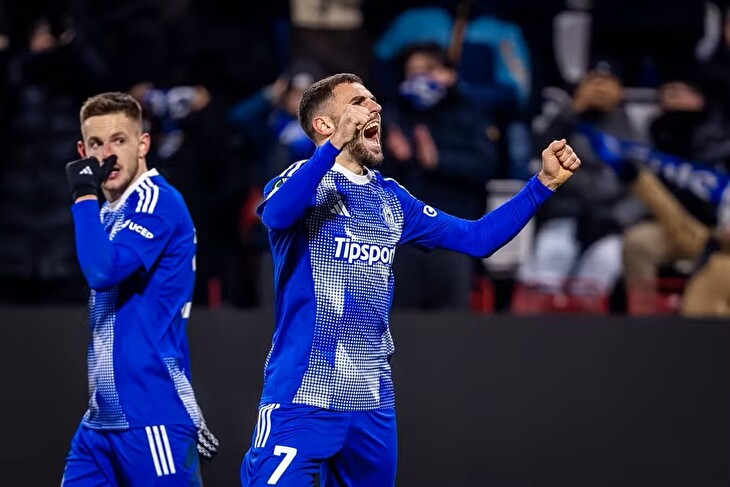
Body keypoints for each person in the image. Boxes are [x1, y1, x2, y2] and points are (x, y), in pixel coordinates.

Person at [240, 73, 581, 486]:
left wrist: (542, 185)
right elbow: (276, 216)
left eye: (374, 99)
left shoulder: (392, 198)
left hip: (372, 401)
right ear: (324, 124)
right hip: (303, 394)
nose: (375, 107)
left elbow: (478, 239)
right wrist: (331, 148)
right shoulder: (302, 180)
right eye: (359, 102)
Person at [61, 92, 217, 485]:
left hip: (152, 415)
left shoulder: (156, 200)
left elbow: (102, 271)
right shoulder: (109, 212)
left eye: (119, 140)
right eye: (96, 144)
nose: (107, 154)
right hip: (102, 418)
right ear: (82, 152)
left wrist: (83, 194)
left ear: (143, 144)